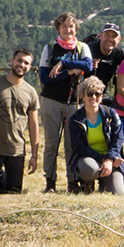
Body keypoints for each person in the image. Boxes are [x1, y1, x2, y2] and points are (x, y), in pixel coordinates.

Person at [39, 12, 93, 193]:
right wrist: (69, 71)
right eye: (64, 26)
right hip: (51, 101)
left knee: (72, 143)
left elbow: (88, 66)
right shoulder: (49, 48)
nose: (68, 30)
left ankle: (72, 181)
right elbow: (45, 79)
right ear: (58, 29)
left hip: (74, 102)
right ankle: (50, 182)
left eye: (71, 26)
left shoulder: (82, 47)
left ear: (76, 29)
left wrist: (62, 64)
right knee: (51, 144)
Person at [0, 48, 39, 193]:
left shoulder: (31, 92)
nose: (22, 65)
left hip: (17, 151)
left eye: (26, 63)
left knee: (14, 192)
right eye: (19, 61)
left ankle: (2, 178)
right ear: (12, 61)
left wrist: (34, 156)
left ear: (30, 67)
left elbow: (34, 125)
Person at [68, 76, 124, 194]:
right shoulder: (75, 119)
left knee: (118, 193)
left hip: (110, 159)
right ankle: (88, 182)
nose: (94, 97)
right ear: (83, 96)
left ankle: (104, 181)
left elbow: (118, 139)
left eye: (97, 94)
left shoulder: (111, 114)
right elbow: (79, 147)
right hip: (89, 158)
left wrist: (110, 158)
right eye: (90, 94)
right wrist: (104, 159)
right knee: (89, 169)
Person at [88, 23, 124, 108]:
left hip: (103, 93)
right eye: (107, 35)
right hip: (85, 92)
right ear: (100, 35)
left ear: (118, 39)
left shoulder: (119, 53)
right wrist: (87, 64)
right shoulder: (90, 49)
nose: (110, 39)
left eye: (114, 36)